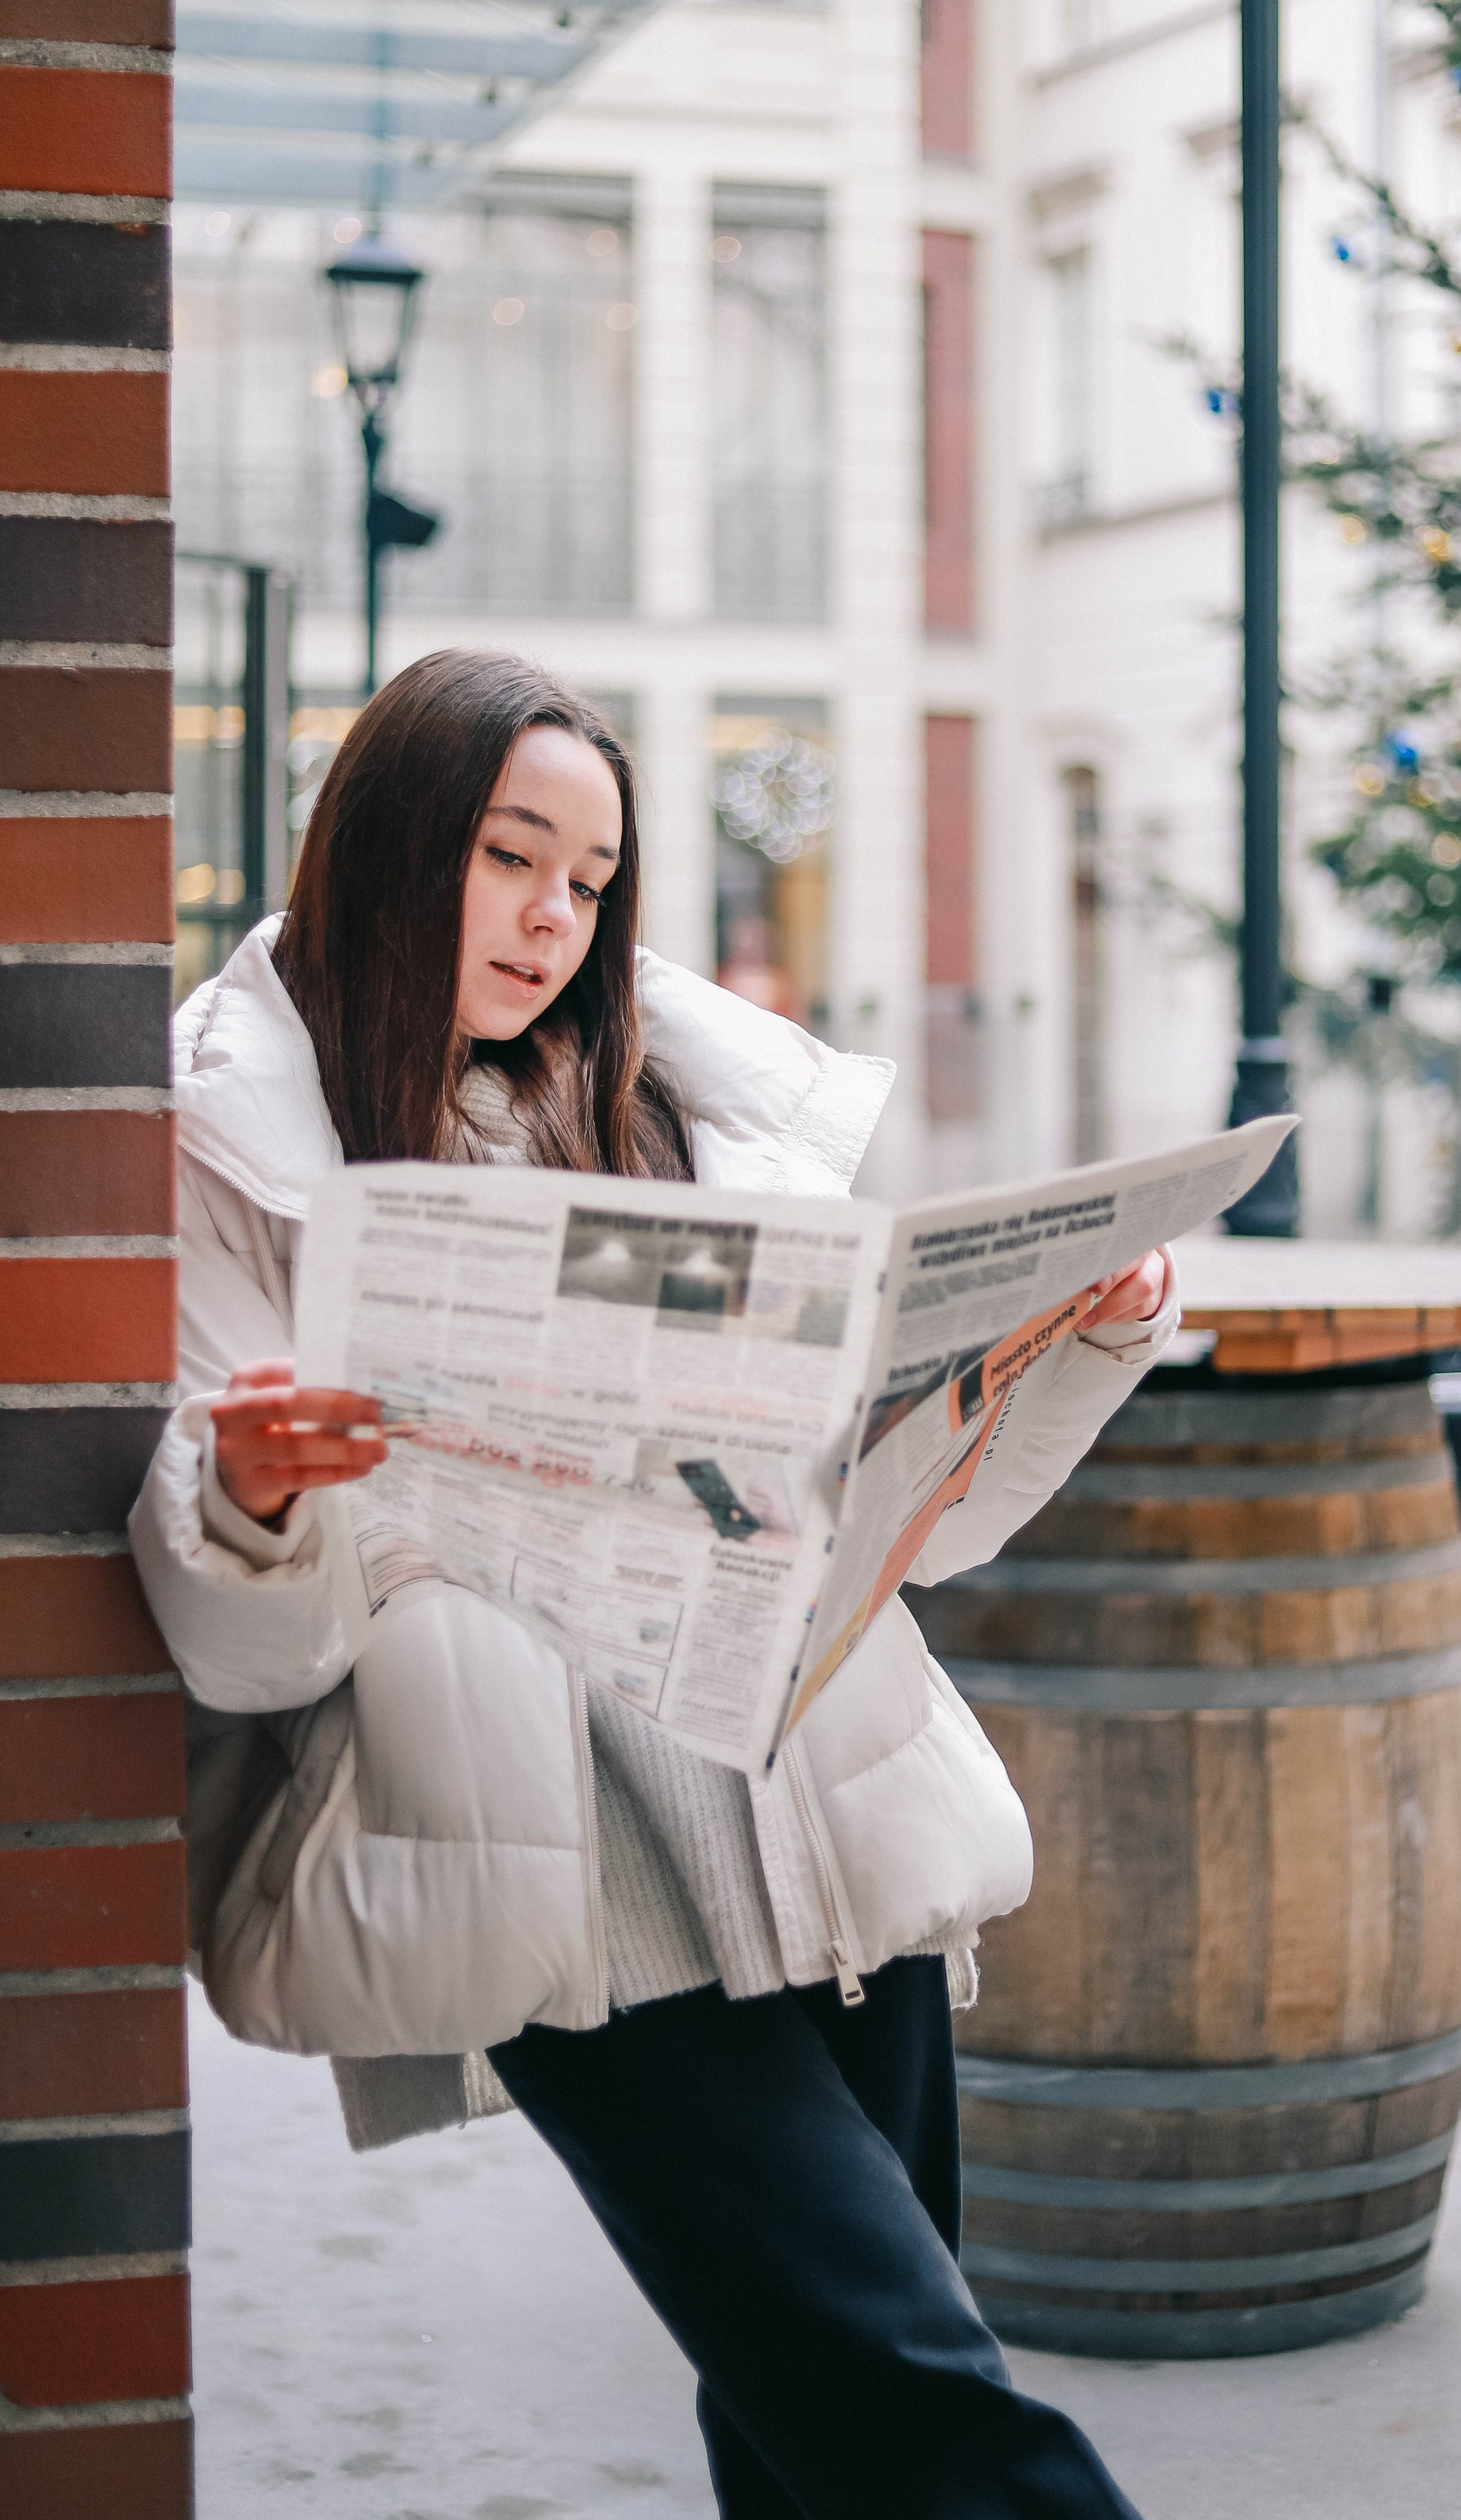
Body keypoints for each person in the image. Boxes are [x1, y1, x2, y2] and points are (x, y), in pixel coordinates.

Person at [131, 650, 1180, 2520]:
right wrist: (262, 1494)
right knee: (923, 2411)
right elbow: (239, 1638)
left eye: (592, 879)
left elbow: (920, 1531)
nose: (552, 917)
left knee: (810, 2431)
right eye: (508, 854)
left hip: (831, 1833)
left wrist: (1066, 1350)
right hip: (575, 1891)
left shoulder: (685, 1117)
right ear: (385, 847)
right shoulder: (234, 1152)